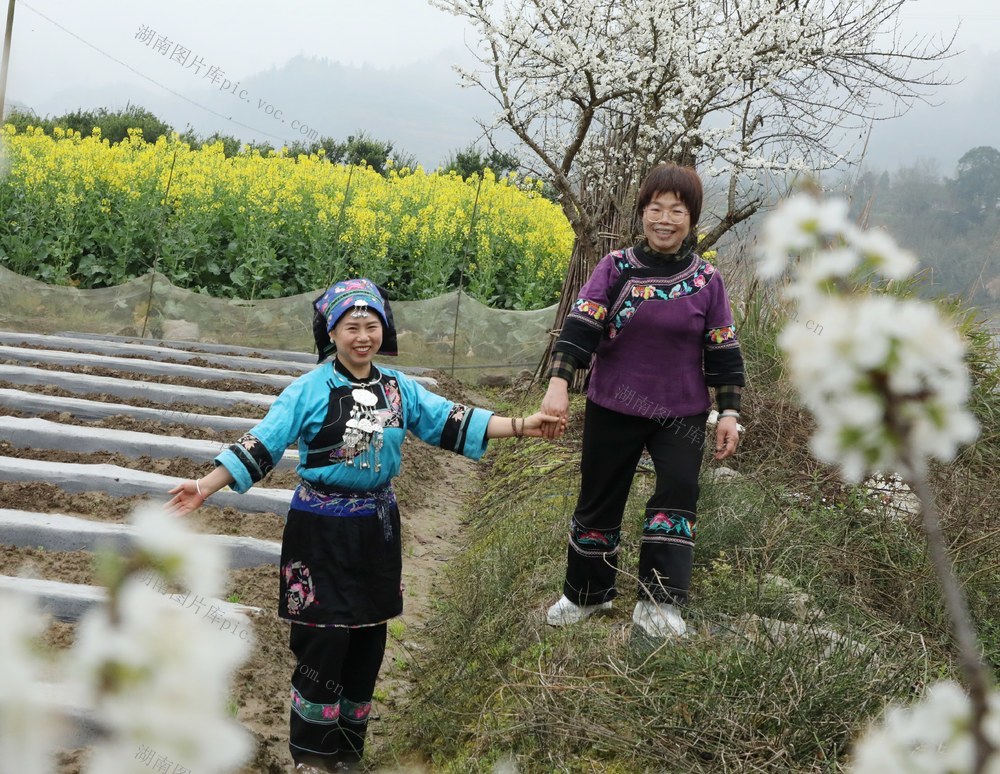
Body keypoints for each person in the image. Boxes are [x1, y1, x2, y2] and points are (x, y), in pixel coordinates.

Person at [166, 278, 564, 773]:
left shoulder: (398, 390)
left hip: (377, 529)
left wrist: (526, 424)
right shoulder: (309, 390)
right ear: (331, 333)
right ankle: (312, 756)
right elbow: (263, 442)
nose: (362, 336)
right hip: (319, 531)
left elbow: (453, 420)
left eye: (371, 326)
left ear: (384, 331)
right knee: (322, 640)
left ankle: (349, 752)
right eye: (351, 326)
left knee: (367, 640)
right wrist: (205, 485)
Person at [539, 163, 745, 639]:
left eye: (677, 210)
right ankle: (588, 595)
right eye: (656, 208)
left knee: (676, 498)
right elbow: (581, 326)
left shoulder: (708, 281)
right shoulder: (615, 268)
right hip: (614, 404)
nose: (665, 219)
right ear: (642, 213)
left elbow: (723, 350)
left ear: (691, 219)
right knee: (599, 497)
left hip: (680, 413)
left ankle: (659, 605)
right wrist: (559, 382)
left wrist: (729, 412)